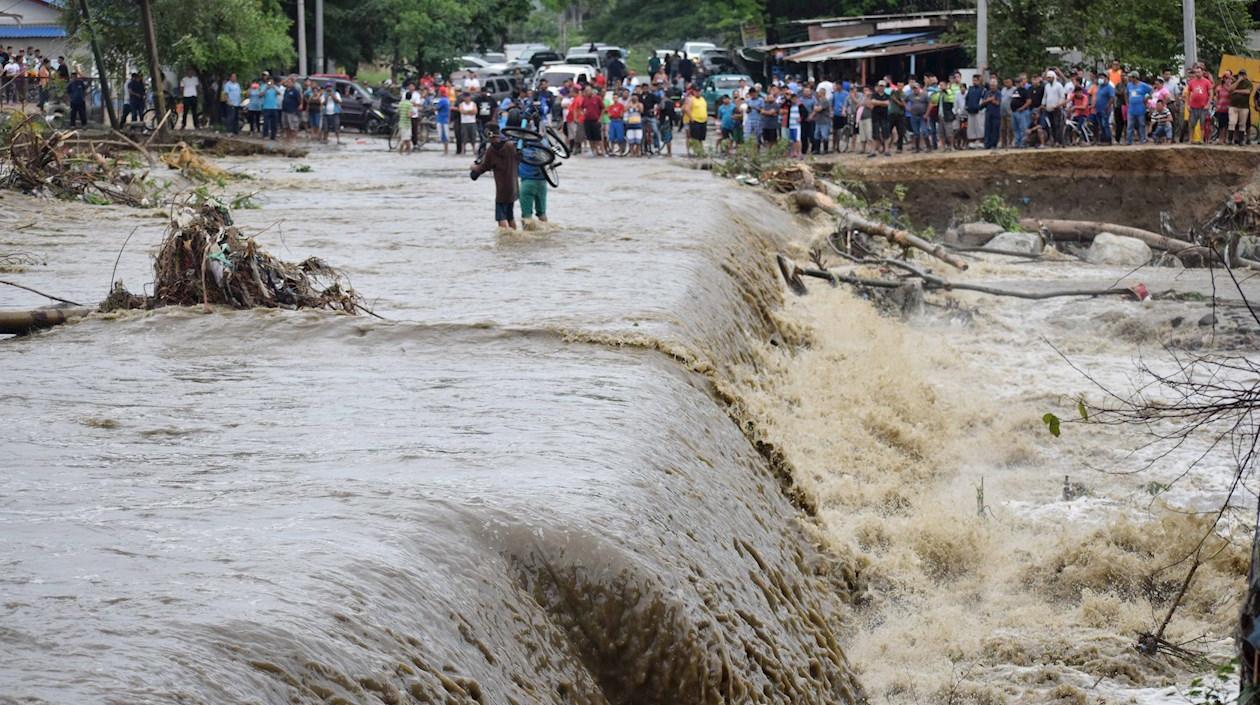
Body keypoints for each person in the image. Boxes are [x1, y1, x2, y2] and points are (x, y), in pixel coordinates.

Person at [469, 123, 519, 230]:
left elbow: (483, 167)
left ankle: (506, 240)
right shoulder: (510, 145)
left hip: (501, 190)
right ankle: (515, 238)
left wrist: (473, 167)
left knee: (501, 217)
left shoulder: (492, 150)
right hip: (513, 188)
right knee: (510, 217)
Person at [1186, 66, 1212, 144]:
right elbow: (1188, 94)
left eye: (1199, 72)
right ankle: (1190, 139)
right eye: (1196, 72)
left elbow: (1211, 94)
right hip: (1193, 107)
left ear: (1202, 72)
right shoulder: (1192, 82)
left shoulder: (1207, 82)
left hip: (1203, 107)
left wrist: (1208, 104)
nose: (1197, 73)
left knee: (1202, 124)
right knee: (1191, 124)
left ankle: (1201, 139)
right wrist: (1188, 104)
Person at [1125, 74, 1152, 145]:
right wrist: (1127, 102)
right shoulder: (1129, 85)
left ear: (1135, 78)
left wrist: (1147, 98)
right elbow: (1126, 93)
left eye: (1131, 78)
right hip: (1131, 109)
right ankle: (1129, 141)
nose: (1130, 79)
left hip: (1140, 108)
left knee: (1141, 125)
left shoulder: (1143, 85)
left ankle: (1142, 140)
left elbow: (1151, 90)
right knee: (1130, 125)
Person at [1230, 69, 1253, 145]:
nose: (1241, 76)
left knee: (1242, 124)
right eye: (1240, 74)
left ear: (1246, 75)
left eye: (1243, 74)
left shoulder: (1248, 83)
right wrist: (1238, 81)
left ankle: (1241, 141)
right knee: (1232, 122)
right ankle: (1230, 140)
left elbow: (1248, 92)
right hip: (1233, 106)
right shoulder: (1235, 82)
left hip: (1244, 107)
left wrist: (1237, 91)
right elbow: (1230, 89)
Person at [964, 74, 985, 148]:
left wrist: (979, 107)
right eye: (973, 80)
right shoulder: (970, 89)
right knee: (971, 127)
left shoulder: (982, 89)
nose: (974, 82)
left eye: (976, 80)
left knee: (979, 126)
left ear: (979, 81)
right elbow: (966, 98)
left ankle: (980, 141)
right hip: (970, 110)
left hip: (978, 111)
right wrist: (966, 106)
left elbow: (983, 100)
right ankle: (972, 141)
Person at [1093, 75, 1115, 144]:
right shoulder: (1100, 87)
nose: (1100, 79)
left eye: (1102, 78)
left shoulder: (1109, 87)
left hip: (1105, 110)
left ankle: (1108, 140)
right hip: (1098, 109)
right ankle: (1103, 140)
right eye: (1099, 78)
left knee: (1105, 124)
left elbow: (1112, 98)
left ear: (1106, 79)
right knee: (1101, 126)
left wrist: (1107, 106)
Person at [983, 77, 1002, 149]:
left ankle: (994, 144)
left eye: (993, 85)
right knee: (987, 129)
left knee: (995, 129)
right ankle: (987, 144)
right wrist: (989, 100)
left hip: (996, 114)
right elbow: (983, 102)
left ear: (996, 86)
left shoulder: (998, 93)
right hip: (988, 113)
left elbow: (998, 103)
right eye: (991, 85)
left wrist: (991, 100)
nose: (992, 87)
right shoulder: (987, 92)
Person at [281, 77, 301, 141]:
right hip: (284, 110)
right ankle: (288, 137)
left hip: (292, 110)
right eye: (287, 82)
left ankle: (293, 138)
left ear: (293, 83)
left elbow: (299, 100)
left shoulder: (295, 91)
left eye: (289, 82)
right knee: (285, 125)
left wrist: (298, 107)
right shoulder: (286, 90)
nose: (288, 83)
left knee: (292, 125)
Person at [435, 88, 451, 155]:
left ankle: (446, 151)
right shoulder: (447, 100)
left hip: (442, 119)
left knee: (444, 135)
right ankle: (445, 150)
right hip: (445, 119)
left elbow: (437, 108)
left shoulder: (442, 100)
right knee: (445, 135)